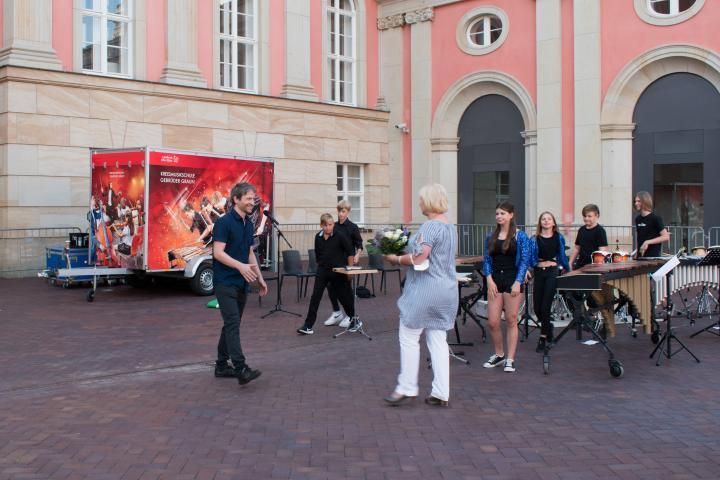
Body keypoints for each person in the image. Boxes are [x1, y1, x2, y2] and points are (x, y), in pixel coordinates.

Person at [383, 184, 457, 407]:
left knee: (408, 335)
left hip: (426, 289)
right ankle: (441, 392)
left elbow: (419, 258)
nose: (419, 203)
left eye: (421, 199)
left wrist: (395, 259)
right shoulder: (450, 227)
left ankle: (407, 387)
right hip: (446, 289)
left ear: (429, 201)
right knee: (438, 340)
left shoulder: (430, 227)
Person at [212, 182, 268, 386]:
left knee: (231, 324)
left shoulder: (249, 223)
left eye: (253, 199)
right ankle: (241, 368)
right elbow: (218, 253)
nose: (252, 202)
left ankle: (220, 365)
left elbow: (249, 251)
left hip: (243, 281)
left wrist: (259, 277)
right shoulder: (224, 222)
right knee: (233, 323)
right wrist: (240, 267)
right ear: (236, 199)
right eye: (249, 198)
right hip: (225, 282)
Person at [482, 201, 532, 373]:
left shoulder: (520, 236)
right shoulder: (491, 236)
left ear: (511, 215)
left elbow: (525, 260)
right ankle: (499, 354)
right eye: (497, 214)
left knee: (511, 320)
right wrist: (488, 279)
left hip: (513, 279)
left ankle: (510, 359)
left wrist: (518, 281)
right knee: (493, 322)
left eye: (503, 213)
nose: (499, 216)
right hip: (495, 280)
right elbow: (487, 260)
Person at [297, 213, 358, 335]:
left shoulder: (340, 236)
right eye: (326, 225)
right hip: (323, 270)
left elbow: (350, 252)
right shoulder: (317, 237)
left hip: (338, 271)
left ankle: (354, 319)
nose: (329, 227)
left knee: (343, 297)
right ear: (321, 225)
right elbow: (318, 254)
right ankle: (308, 325)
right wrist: (322, 264)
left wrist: (350, 270)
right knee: (315, 296)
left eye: (331, 225)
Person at [568, 204, 616, 336]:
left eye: (589, 216)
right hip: (581, 266)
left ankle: (593, 318)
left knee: (593, 297)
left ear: (597, 216)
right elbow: (577, 248)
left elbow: (603, 251)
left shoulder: (600, 231)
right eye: (585, 216)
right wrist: (570, 263)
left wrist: (596, 266)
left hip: (593, 267)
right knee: (568, 290)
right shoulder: (582, 230)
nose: (586, 219)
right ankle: (584, 317)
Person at [528, 212, 571, 352]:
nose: (546, 221)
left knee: (545, 307)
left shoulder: (558, 237)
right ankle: (549, 328)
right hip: (539, 272)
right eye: (543, 219)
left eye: (549, 219)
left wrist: (567, 269)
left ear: (553, 223)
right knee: (537, 309)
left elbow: (562, 256)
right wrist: (526, 270)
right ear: (540, 223)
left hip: (552, 272)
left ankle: (543, 337)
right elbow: (529, 257)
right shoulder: (534, 239)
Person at [324, 200, 364, 328]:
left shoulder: (353, 227)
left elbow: (359, 245)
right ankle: (336, 312)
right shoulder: (334, 226)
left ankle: (350, 316)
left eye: (343, 211)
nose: (341, 214)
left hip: (348, 262)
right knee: (330, 285)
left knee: (346, 290)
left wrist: (357, 255)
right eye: (339, 211)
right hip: (334, 261)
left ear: (348, 212)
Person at [634, 191, 669, 258]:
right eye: (635, 201)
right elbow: (638, 238)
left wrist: (647, 242)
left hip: (653, 258)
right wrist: (636, 254)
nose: (636, 203)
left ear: (645, 201)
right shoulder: (637, 219)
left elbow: (666, 237)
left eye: (639, 201)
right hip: (640, 257)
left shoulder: (655, 218)